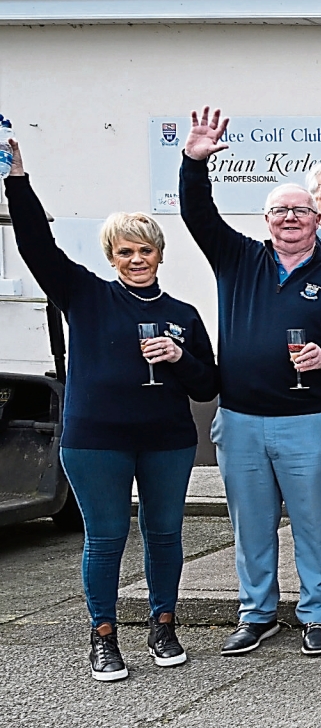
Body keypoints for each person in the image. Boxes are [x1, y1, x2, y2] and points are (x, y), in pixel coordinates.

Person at [6, 139, 219, 681]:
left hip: (167, 439)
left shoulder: (183, 314)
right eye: (125, 251)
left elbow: (207, 384)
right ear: (111, 257)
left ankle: (163, 624)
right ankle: (103, 635)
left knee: (165, 533)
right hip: (95, 439)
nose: (136, 259)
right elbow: (37, 246)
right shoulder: (86, 296)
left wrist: (179, 357)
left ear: (160, 254)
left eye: (145, 250)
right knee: (105, 537)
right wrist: (18, 180)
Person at [179, 107, 321, 658]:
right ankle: (257, 612)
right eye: (279, 210)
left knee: (314, 524)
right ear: (266, 220)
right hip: (239, 420)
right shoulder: (238, 258)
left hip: (308, 423)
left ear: (318, 218)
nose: (290, 217)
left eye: (300, 210)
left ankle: (317, 612)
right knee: (251, 527)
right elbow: (197, 213)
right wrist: (194, 162)